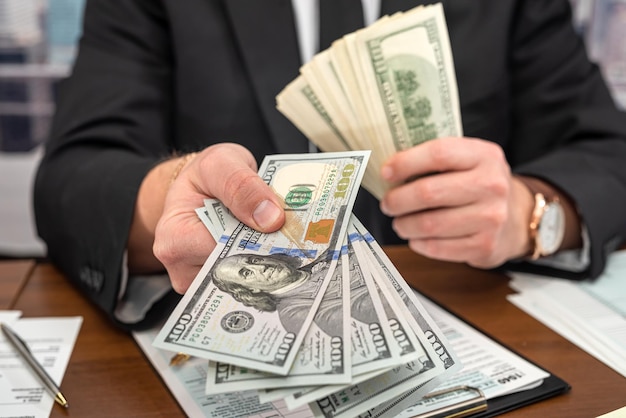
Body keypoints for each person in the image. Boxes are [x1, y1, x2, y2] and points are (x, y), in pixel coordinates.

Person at [34, 0, 626, 330]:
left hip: (465, 318)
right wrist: (170, 194)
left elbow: (608, 151)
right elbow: (74, 177)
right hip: (236, 326)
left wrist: (535, 214)